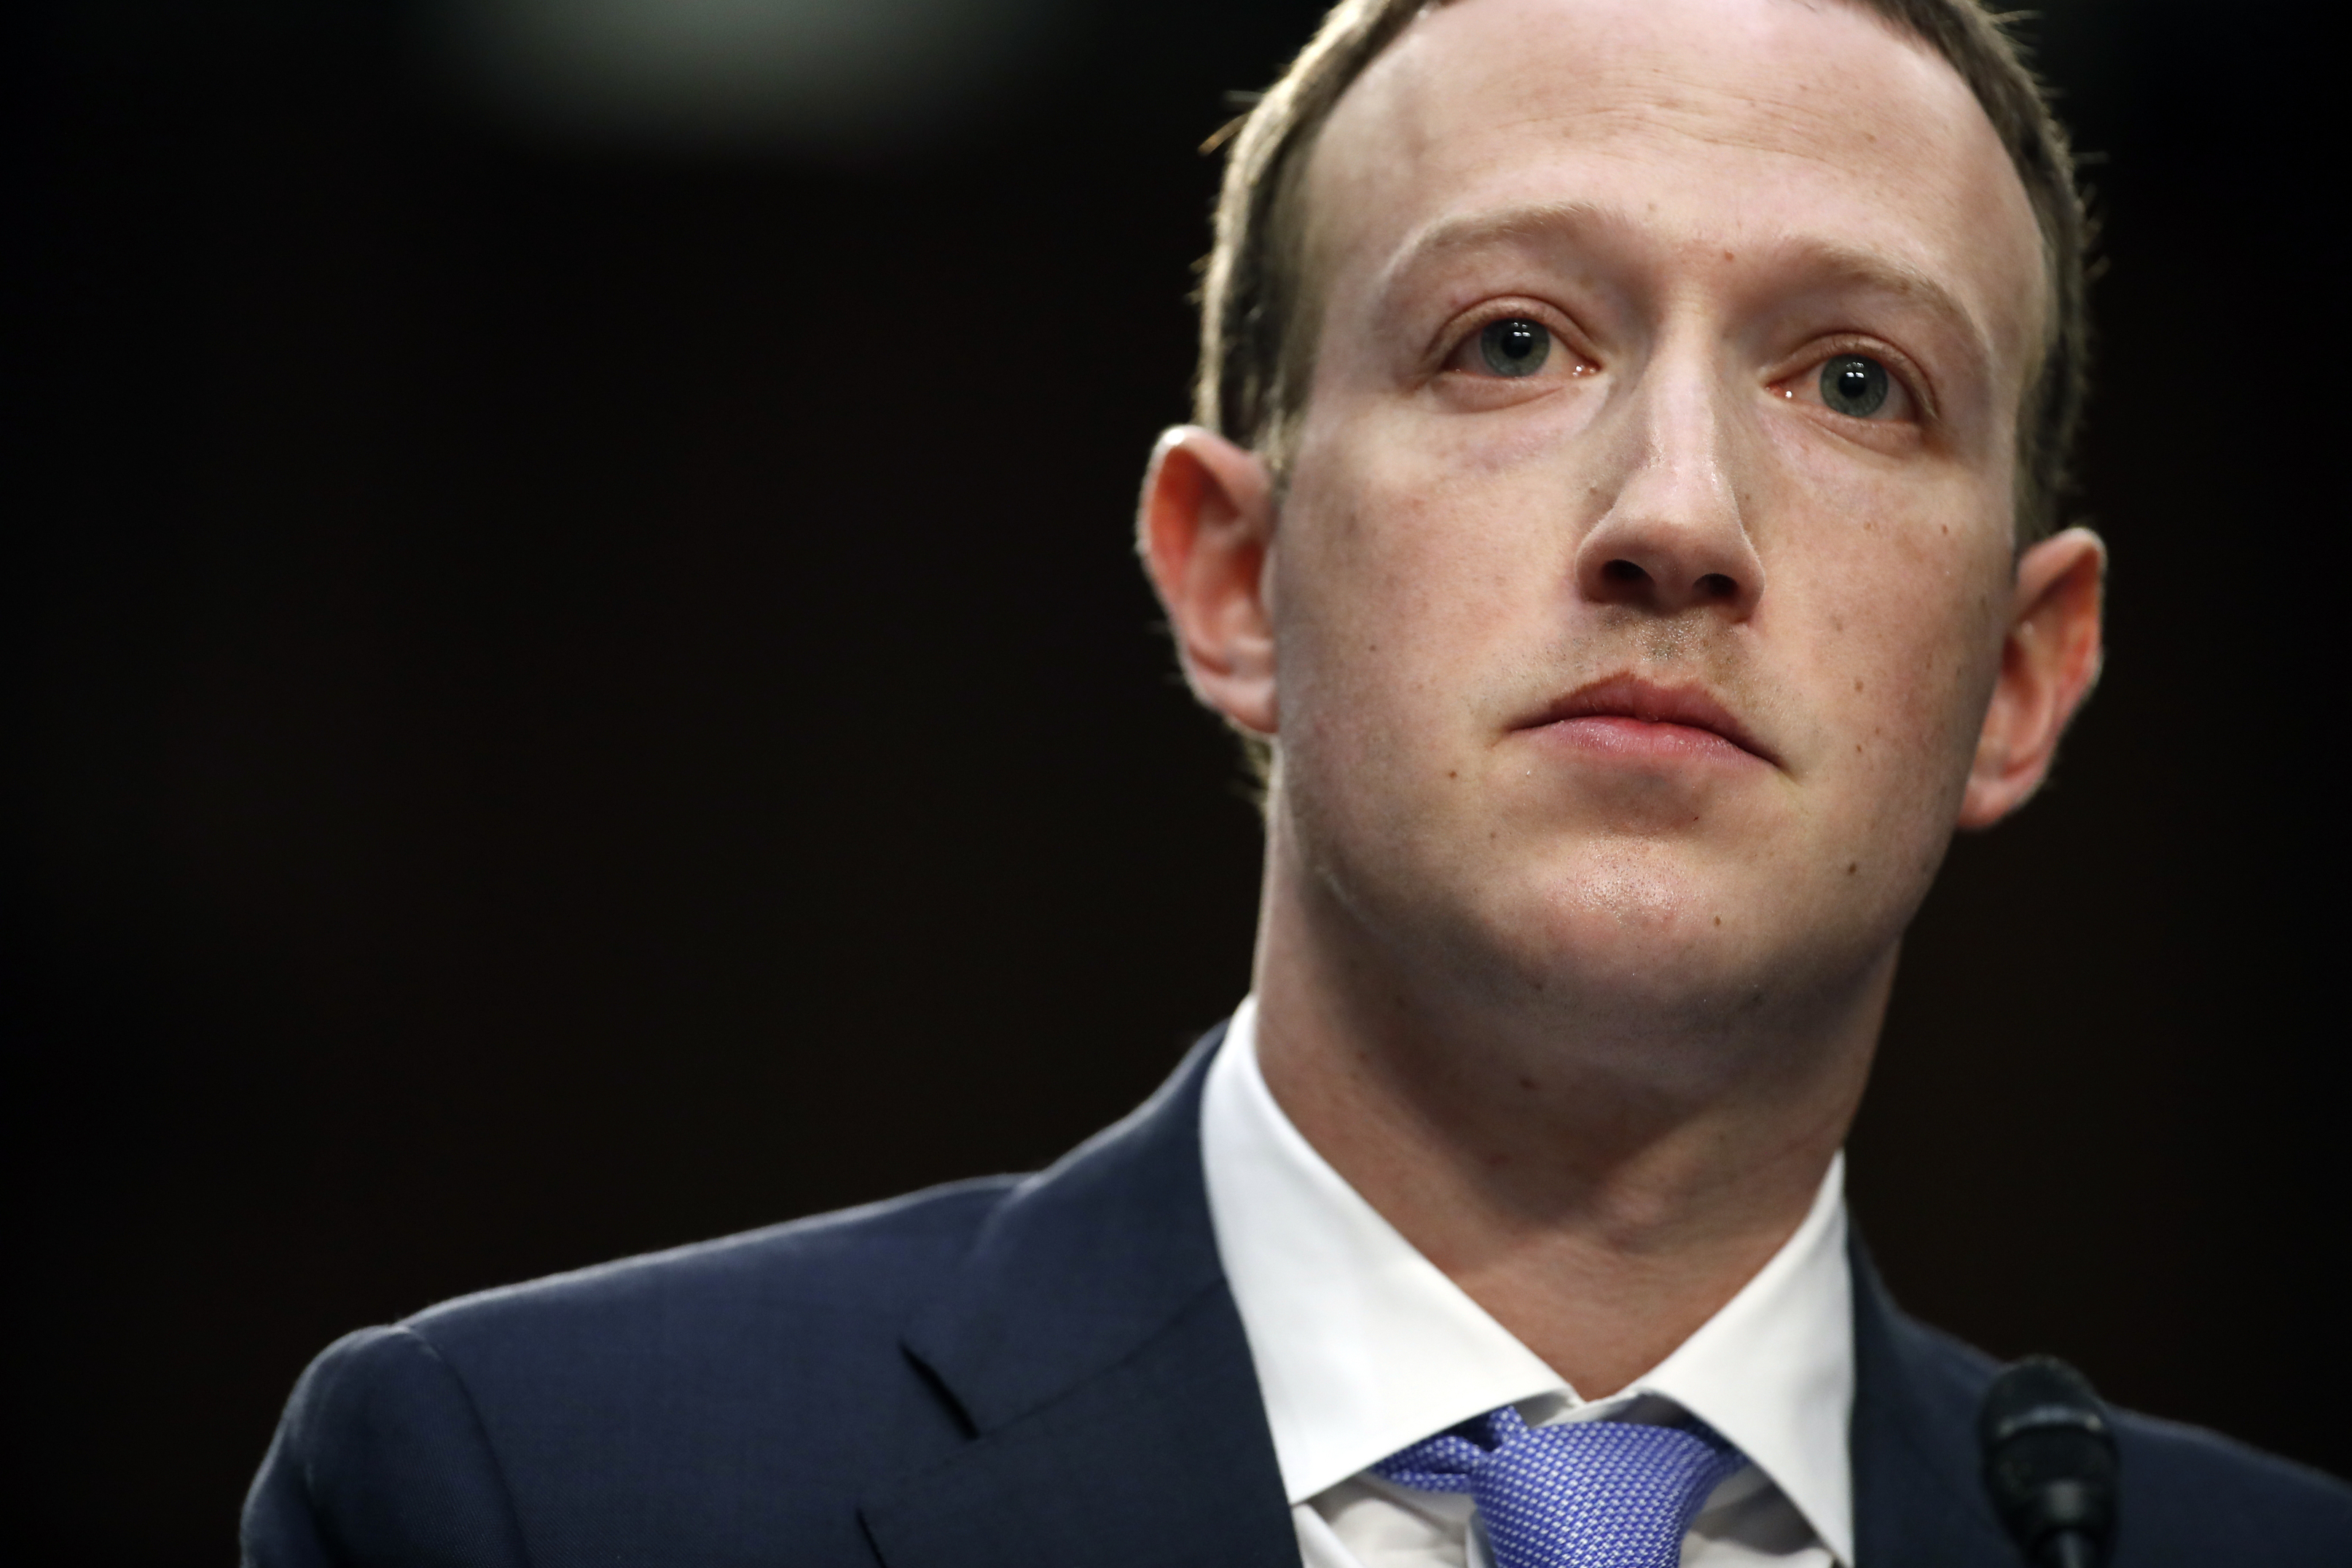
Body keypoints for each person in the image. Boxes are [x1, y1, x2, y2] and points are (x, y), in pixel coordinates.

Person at [241, 0, 2352, 1564]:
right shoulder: (543, 1491)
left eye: (1856, 380)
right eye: (1511, 341)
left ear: (2016, 676)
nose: (1677, 515)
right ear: (1233, 580)